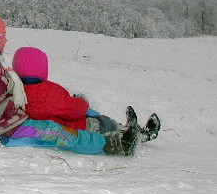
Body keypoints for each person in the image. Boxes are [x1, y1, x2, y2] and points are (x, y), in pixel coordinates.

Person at [0, 15, 144, 155]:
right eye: (2, 36)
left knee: (55, 128)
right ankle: (111, 146)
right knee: (55, 131)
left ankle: (113, 135)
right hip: (8, 127)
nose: (5, 40)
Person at [12, 46, 161, 155]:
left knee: (102, 123)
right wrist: (82, 101)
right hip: (78, 126)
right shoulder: (49, 91)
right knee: (105, 123)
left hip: (57, 128)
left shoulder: (14, 91)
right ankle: (139, 135)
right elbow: (73, 109)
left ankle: (127, 128)